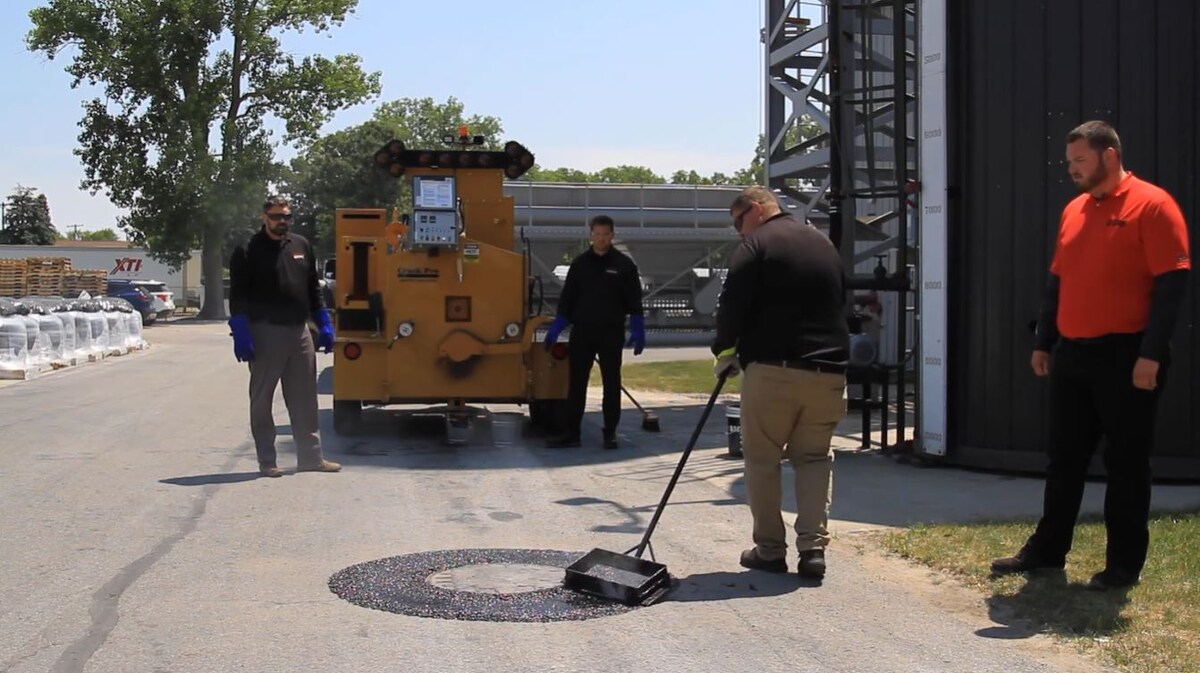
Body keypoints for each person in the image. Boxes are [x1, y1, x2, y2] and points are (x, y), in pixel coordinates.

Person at [991, 121, 1191, 590]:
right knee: (1064, 458)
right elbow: (1057, 280)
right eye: (1069, 163)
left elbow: (1171, 287)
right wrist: (1045, 341)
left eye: (1079, 161)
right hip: (1074, 356)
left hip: (1128, 355)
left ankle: (1122, 566)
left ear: (1109, 156)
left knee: (1125, 463)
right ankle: (1047, 551)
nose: (1072, 170)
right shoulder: (1075, 210)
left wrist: (1151, 355)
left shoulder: (1154, 205)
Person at [711, 185, 849, 579]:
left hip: (774, 370)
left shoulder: (756, 245)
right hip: (829, 373)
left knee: (762, 459)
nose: (739, 231)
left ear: (755, 209)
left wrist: (724, 350)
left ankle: (770, 549)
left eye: (738, 221)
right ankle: (812, 550)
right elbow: (839, 300)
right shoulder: (822, 243)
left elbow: (732, 303)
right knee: (814, 458)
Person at [227, 195, 342, 478]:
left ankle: (311, 458)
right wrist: (241, 331)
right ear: (264, 217)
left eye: (286, 216)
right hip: (265, 330)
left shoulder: (300, 245)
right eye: (277, 216)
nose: (282, 221)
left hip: (299, 330)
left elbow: (313, 290)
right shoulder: (247, 250)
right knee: (263, 398)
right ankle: (267, 462)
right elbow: (238, 295)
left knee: (305, 398)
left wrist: (323, 322)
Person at [544, 215, 646, 450]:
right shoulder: (580, 264)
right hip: (583, 332)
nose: (601, 239)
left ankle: (609, 433)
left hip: (611, 332)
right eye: (597, 234)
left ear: (612, 235)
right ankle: (572, 433)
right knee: (577, 383)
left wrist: (638, 328)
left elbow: (634, 300)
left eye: (606, 234)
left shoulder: (624, 265)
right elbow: (567, 300)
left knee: (612, 383)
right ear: (590, 234)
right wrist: (557, 327)